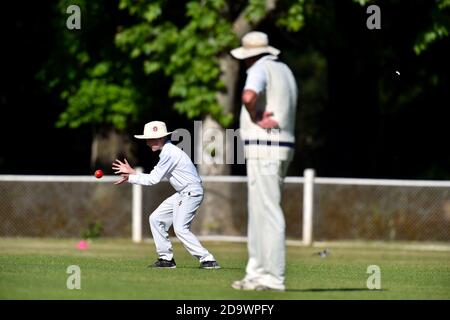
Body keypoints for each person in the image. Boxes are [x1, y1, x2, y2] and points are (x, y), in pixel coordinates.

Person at [230, 31, 298, 291]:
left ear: (250, 56)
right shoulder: (285, 71)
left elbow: (249, 96)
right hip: (281, 147)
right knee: (259, 211)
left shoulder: (258, 69)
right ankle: (256, 273)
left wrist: (255, 116)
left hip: (265, 147)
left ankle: (273, 277)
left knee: (267, 211)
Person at [112, 120, 220, 269]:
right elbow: (154, 176)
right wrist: (134, 173)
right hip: (183, 192)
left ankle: (208, 260)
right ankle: (166, 259)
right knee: (156, 219)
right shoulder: (168, 152)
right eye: (148, 139)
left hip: (190, 192)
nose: (149, 142)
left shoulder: (169, 153)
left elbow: (153, 180)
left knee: (181, 228)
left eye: (151, 139)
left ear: (162, 138)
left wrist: (130, 178)